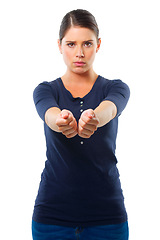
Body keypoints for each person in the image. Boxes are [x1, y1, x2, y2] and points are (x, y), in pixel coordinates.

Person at [32, 9, 130, 240]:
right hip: (51, 217)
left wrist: (93, 117)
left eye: (87, 43)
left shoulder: (116, 87)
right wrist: (60, 120)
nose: (79, 53)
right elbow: (49, 114)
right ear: (59, 45)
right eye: (71, 44)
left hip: (107, 217)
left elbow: (111, 108)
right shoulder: (46, 90)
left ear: (98, 45)